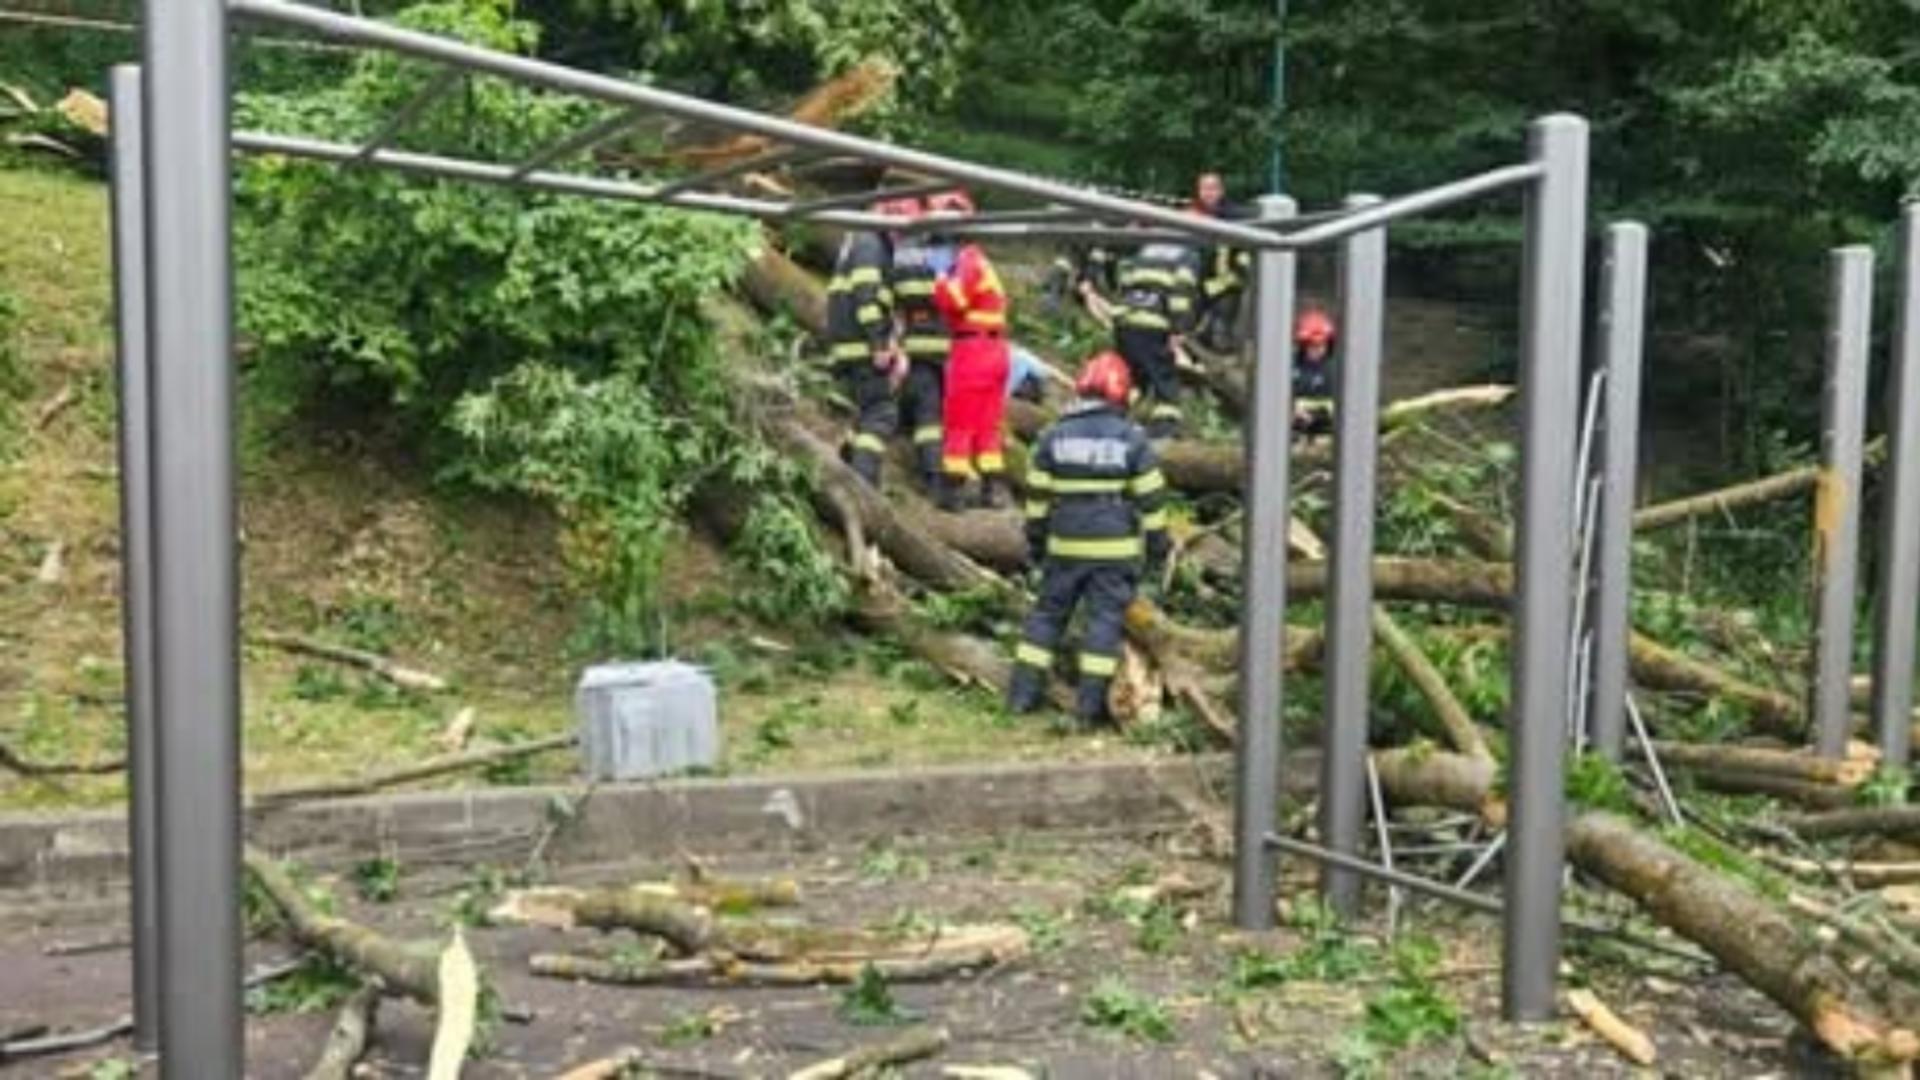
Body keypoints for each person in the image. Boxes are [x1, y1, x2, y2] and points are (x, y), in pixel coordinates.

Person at [1008, 351, 1170, 725]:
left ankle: (1020, 697)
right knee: (1103, 621)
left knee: (1047, 617)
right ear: (1121, 394)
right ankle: (1088, 710)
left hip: (1064, 545)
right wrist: (1158, 546)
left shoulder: (1053, 436)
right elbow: (1152, 499)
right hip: (1114, 551)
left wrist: (1037, 542)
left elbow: (1037, 499)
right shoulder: (1132, 439)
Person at [929, 189, 1013, 510]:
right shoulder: (980, 260)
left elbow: (955, 300)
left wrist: (936, 278)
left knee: (959, 420)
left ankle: (953, 491)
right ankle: (993, 489)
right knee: (987, 424)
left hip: (973, 350)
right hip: (995, 349)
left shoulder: (966, 260)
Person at [824, 199, 913, 487]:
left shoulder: (859, 241)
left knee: (860, 414)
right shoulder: (870, 243)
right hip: (863, 349)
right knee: (881, 414)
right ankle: (863, 486)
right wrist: (879, 344)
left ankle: (846, 472)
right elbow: (866, 298)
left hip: (847, 348)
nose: (903, 236)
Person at [887, 201, 954, 491]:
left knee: (919, 396)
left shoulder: (903, 252)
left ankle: (901, 426)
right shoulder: (948, 254)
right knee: (930, 411)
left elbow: (895, 294)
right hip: (943, 343)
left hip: (913, 338)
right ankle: (932, 474)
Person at [1111, 239, 1200, 438]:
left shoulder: (1146, 249)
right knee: (1164, 380)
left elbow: (1124, 281)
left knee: (1134, 378)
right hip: (1153, 324)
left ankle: (1113, 419)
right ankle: (1163, 431)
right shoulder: (1187, 255)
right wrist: (1179, 329)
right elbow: (1181, 294)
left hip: (1125, 322)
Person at [1190, 172, 1253, 352]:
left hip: (1227, 284)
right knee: (1189, 327)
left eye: (1212, 188)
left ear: (1221, 191)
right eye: (1204, 188)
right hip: (1200, 283)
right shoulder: (1192, 213)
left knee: (1221, 331)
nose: (1208, 193)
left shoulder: (1233, 215)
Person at [1293, 308, 1337, 436]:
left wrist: (1317, 417)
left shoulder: (1333, 370)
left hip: (1324, 431)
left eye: (1321, 345)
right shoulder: (1291, 365)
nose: (1316, 350)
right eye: (1311, 345)